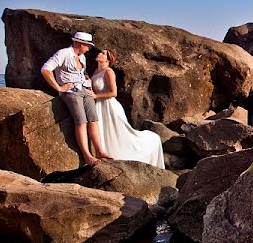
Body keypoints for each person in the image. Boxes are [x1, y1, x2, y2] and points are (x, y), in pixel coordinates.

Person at [41, 32, 111, 165]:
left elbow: (82, 73)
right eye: (88, 46)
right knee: (81, 121)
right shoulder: (63, 53)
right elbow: (45, 70)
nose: (89, 48)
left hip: (85, 89)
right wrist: (59, 88)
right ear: (81, 44)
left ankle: (100, 151)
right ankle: (87, 156)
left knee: (93, 119)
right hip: (71, 92)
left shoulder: (82, 57)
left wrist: (88, 82)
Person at [90, 48, 165, 168]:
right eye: (101, 52)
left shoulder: (108, 72)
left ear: (108, 60)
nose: (99, 54)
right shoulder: (95, 71)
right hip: (99, 106)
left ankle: (151, 144)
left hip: (109, 106)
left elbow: (113, 93)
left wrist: (95, 96)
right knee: (103, 130)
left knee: (120, 134)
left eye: (103, 54)